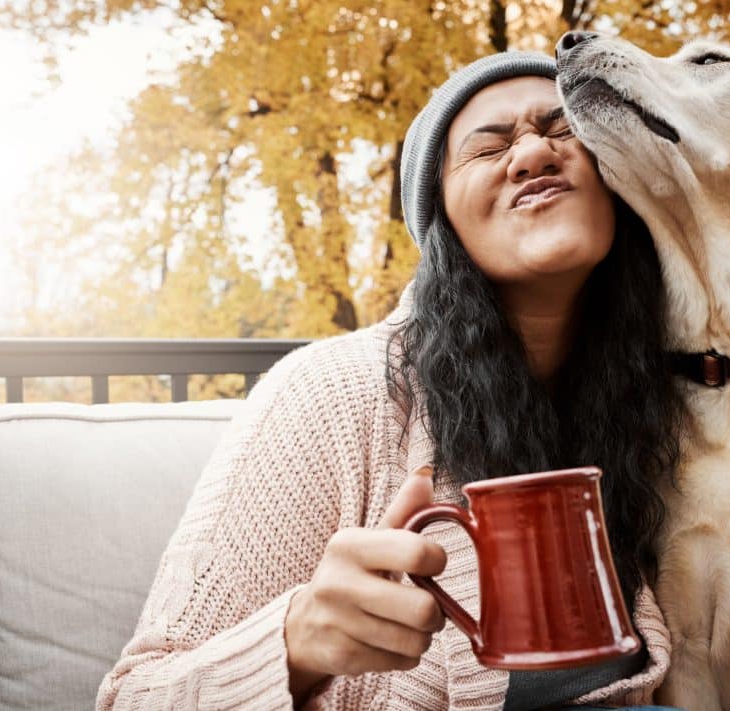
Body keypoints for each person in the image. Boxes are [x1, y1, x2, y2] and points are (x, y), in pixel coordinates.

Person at [96, 50, 685, 710]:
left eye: (561, 130)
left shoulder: (673, 402)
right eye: (488, 147)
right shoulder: (331, 393)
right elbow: (135, 696)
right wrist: (296, 641)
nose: (530, 154)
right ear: (443, 226)